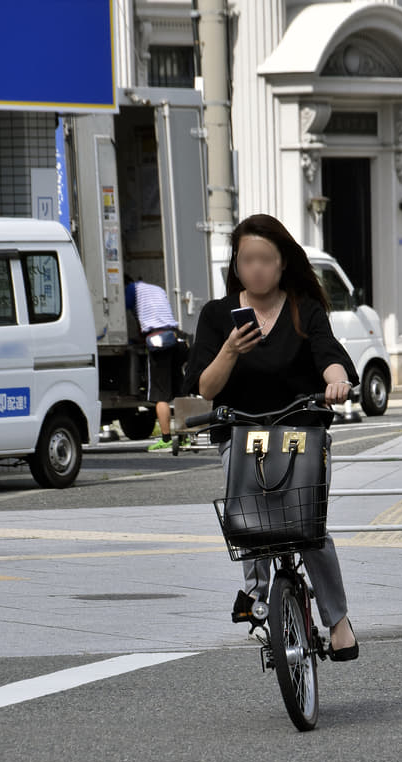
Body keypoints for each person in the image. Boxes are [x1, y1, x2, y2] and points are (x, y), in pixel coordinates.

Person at [182, 213, 360, 661]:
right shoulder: (219, 316)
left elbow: (330, 356)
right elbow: (205, 386)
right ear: (236, 265)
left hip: (301, 430)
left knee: (307, 525)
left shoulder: (305, 309)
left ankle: (337, 620)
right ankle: (256, 594)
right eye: (248, 260)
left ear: (283, 263)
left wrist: (336, 381)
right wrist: (229, 350)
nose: (257, 268)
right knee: (249, 518)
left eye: (266, 259)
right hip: (241, 432)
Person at [125, 279, 187, 451]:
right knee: (180, 393)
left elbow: (124, 313)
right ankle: (184, 438)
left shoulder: (131, 289)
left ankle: (166, 439)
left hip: (159, 342)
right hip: (177, 338)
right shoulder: (157, 288)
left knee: (161, 395)